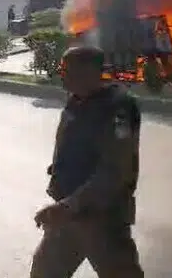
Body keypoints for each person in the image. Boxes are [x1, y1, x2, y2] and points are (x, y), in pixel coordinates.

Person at [30, 45, 143, 278]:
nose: (64, 78)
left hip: (102, 218)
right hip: (66, 215)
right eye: (64, 72)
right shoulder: (77, 100)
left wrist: (69, 205)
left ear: (91, 73)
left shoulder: (117, 108)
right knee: (45, 272)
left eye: (70, 73)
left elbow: (115, 170)